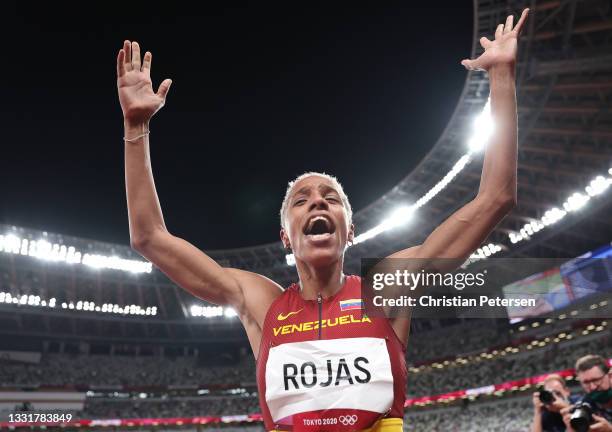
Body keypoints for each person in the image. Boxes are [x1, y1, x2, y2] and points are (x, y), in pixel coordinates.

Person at [117, 8, 529, 431]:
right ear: (285, 237)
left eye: (331, 199)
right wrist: (136, 128)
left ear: (349, 231)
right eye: (302, 201)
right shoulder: (263, 303)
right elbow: (149, 237)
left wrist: (500, 76)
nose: (317, 203)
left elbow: (496, 197)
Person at [561, 355, 612, 432]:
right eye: (586, 382)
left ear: (610, 376)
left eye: (596, 380)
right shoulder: (583, 407)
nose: (592, 387)